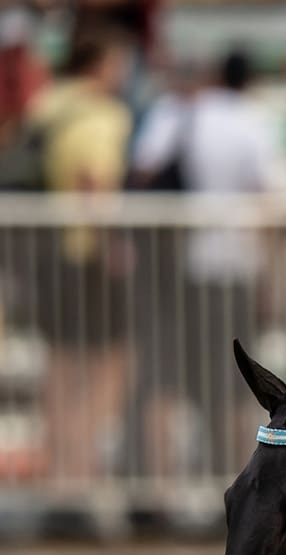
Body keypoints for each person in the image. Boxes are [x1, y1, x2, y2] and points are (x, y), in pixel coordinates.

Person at [128, 47, 286, 476]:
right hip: (233, 268)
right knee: (235, 388)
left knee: (163, 381)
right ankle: (232, 484)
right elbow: (271, 201)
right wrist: (271, 278)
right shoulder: (252, 119)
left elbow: (142, 172)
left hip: (173, 268)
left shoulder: (173, 111)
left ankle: (161, 493)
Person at [29, 23, 135, 484]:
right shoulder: (101, 113)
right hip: (89, 254)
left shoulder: (48, 105)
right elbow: (95, 181)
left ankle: (59, 470)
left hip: (49, 251)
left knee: (60, 368)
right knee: (111, 364)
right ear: (104, 65)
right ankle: (79, 467)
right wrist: (113, 243)